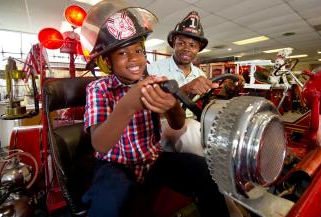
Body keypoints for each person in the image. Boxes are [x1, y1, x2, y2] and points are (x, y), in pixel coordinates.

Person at [80, 1, 230, 217]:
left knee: (207, 171)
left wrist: (172, 106)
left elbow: (178, 124)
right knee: (107, 204)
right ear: (107, 61)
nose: (134, 59)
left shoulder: (154, 82)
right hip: (115, 166)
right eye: (122, 53)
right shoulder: (99, 88)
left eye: (138, 50)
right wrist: (128, 105)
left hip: (153, 161)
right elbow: (100, 144)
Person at [148, 11, 243, 156]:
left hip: (195, 122)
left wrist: (228, 88)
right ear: (174, 43)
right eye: (181, 43)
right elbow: (150, 109)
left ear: (198, 49)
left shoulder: (200, 74)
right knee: (192, 130)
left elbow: (205, 103)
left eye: (192, 45)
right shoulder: (154, 69)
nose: (186, 48)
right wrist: (185, 89)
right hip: (161, 124)